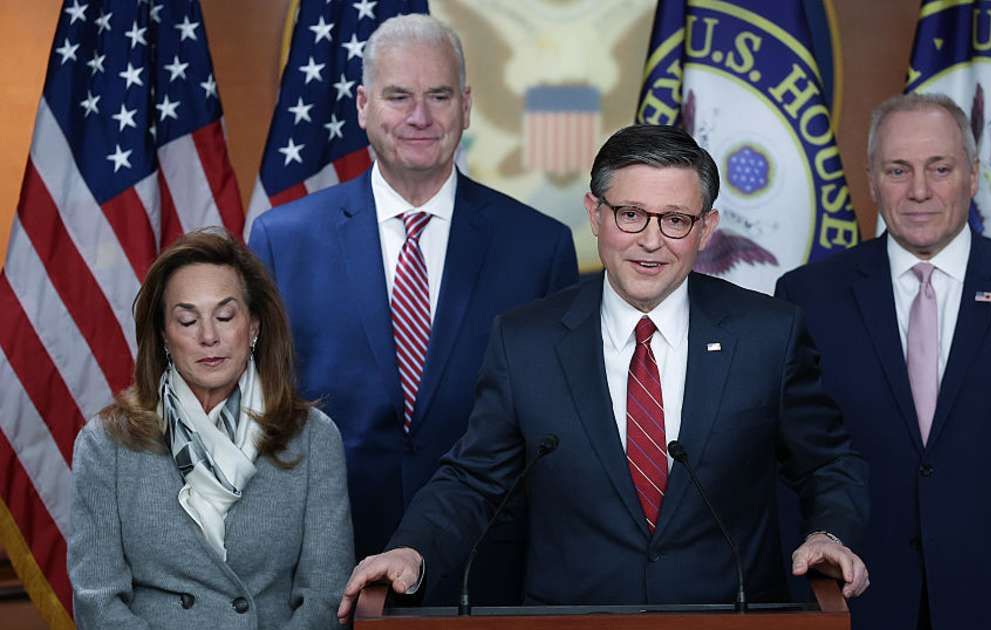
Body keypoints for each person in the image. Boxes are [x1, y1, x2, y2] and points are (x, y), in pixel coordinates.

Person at [337, 124, 870, 621]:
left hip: (727, 620)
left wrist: (830, 533)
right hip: (574, 622)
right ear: (595, 214)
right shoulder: (527, 341)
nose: (651, 240)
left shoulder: (768, 334)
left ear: (706, 228)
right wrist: (412, 549)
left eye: (675, 219)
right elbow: (474, 481)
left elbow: (827, 464)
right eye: (630, 214)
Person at [247, 14, 578, 603]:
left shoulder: (538, 245)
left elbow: (555, 430)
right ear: (363, 106)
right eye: (399, 96)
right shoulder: (282, 239)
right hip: (325, 567)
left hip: (488, 572)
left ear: (467, 106)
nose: (420, 117)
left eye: (439, 95)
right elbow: (258, 412)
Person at [775, 93, 991, 629]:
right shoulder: (808, 297)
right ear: (871, 178)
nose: (920, 190)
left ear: (973, 176)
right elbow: (793, 473)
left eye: (940, 168)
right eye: (898, 169)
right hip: (859, 607)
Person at [68, 230, 353, 630]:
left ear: (253, 326)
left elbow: (325, 597)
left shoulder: (313, 438)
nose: (208, 336)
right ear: (164, 335)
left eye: (224, 316)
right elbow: (97, 602)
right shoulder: (105, 443)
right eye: (187, 320)